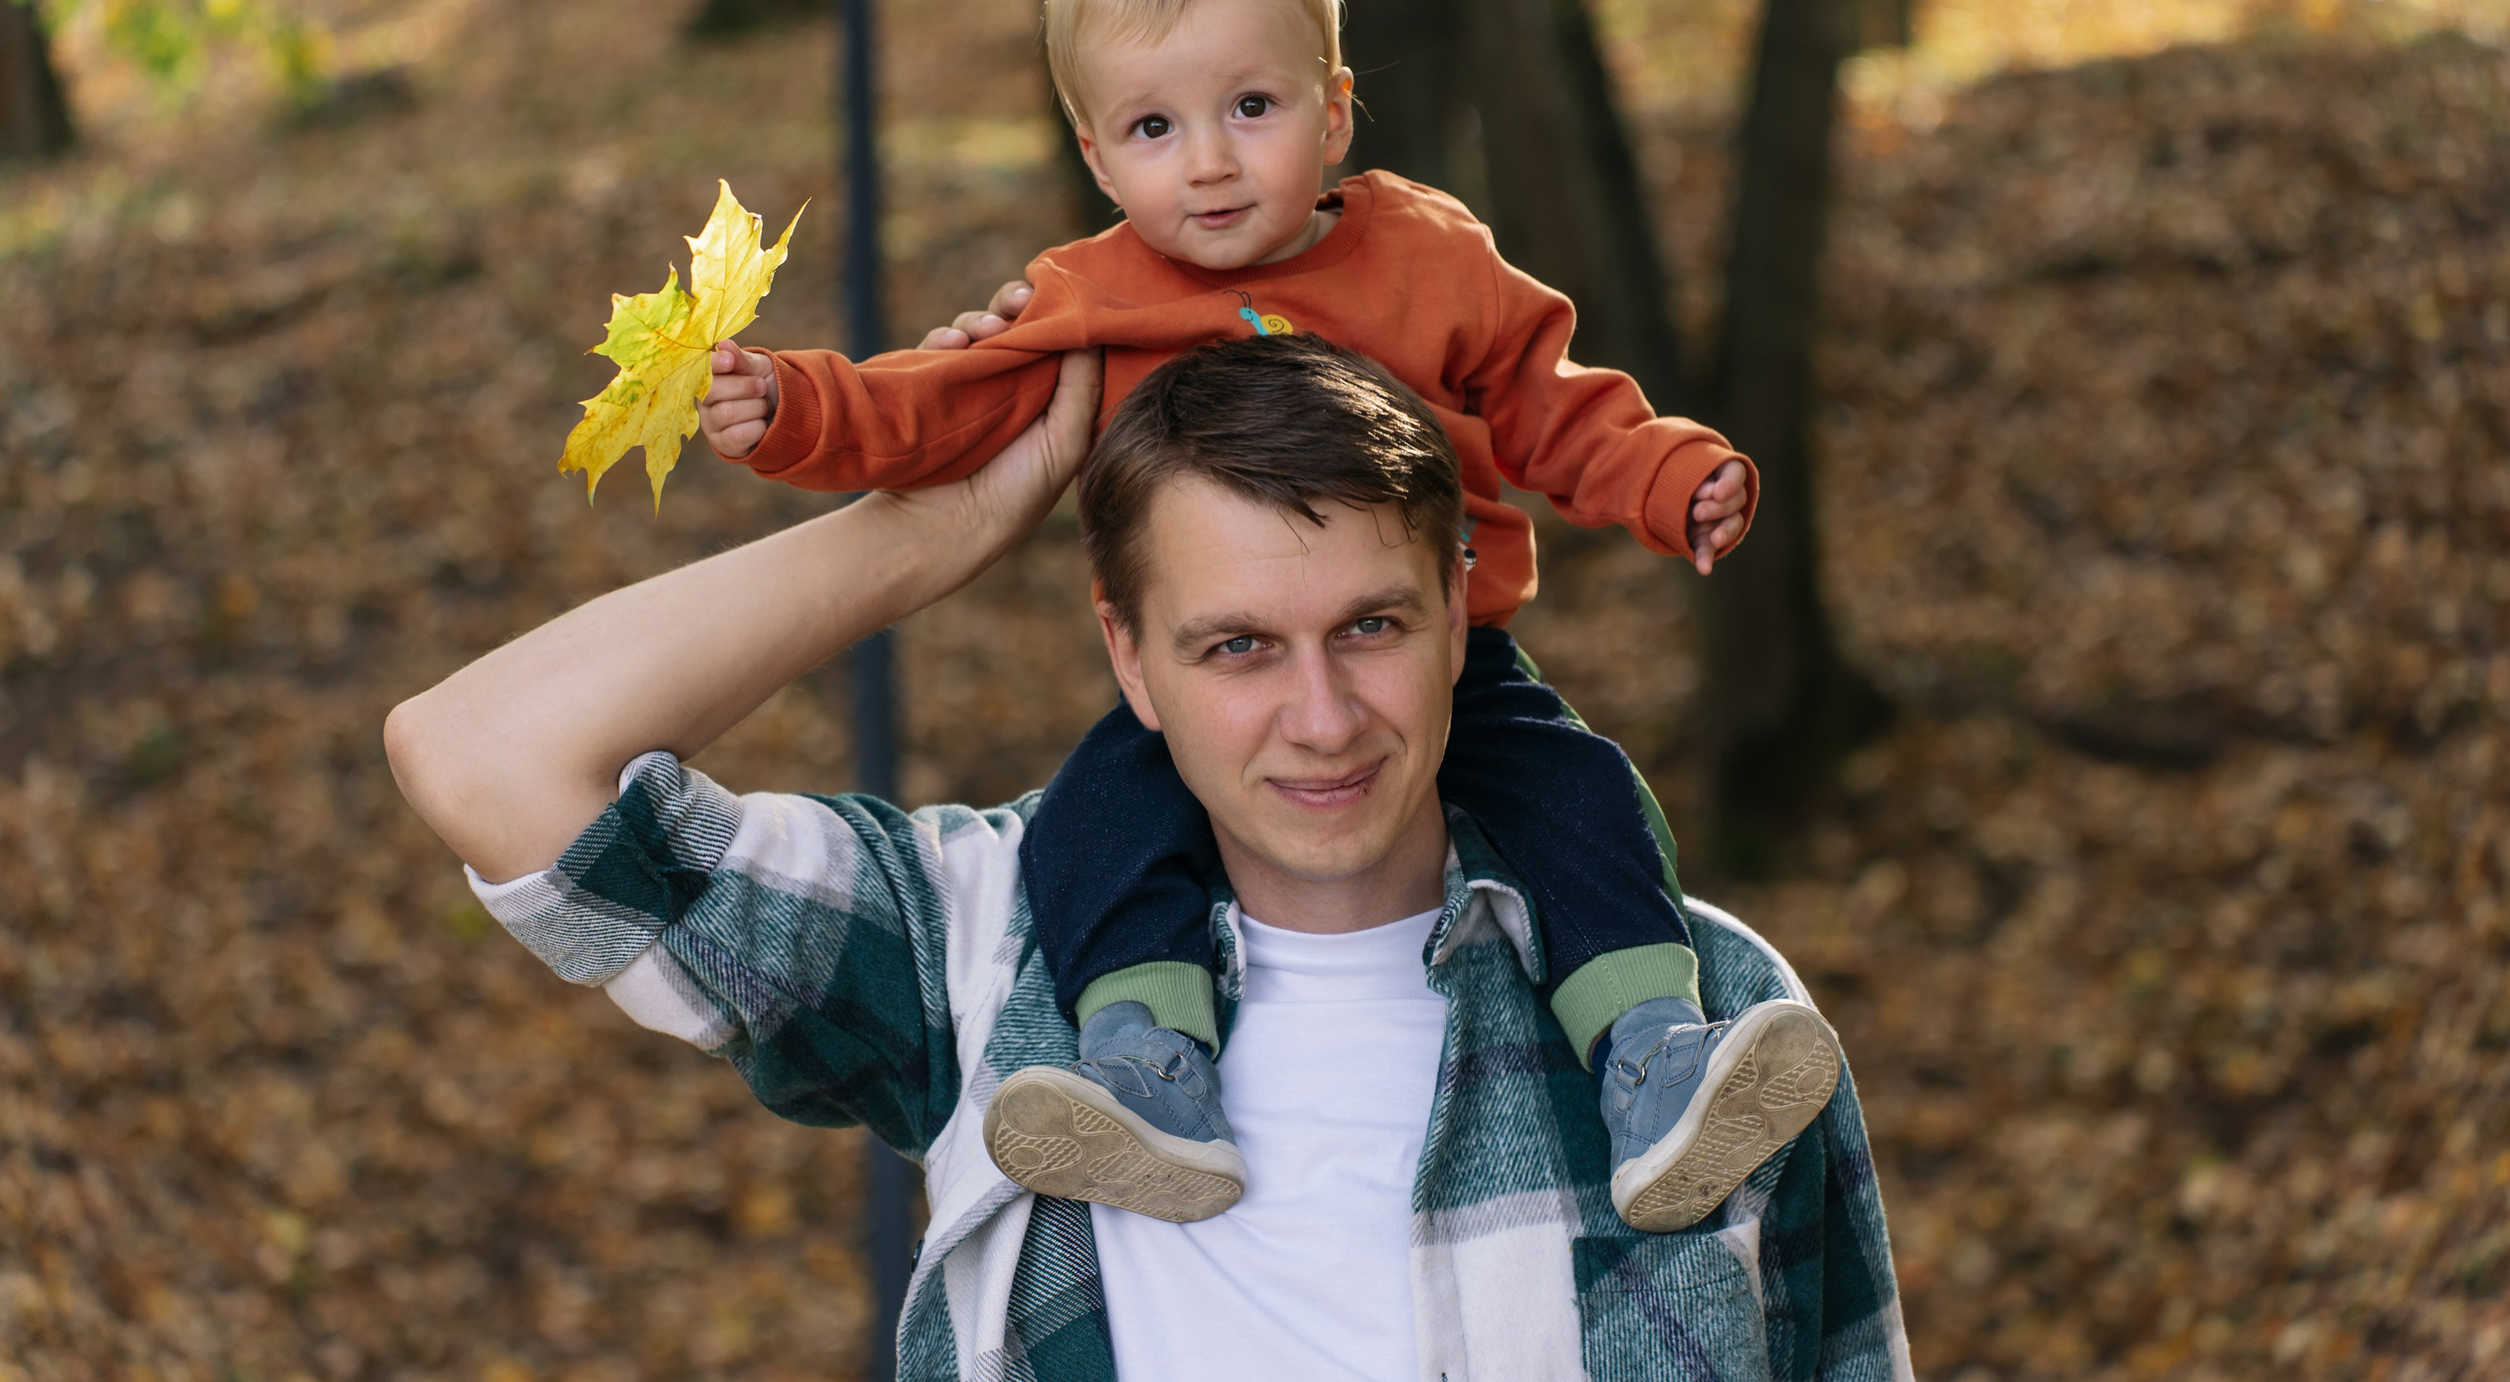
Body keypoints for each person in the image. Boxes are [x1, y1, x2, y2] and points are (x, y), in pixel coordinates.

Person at [387, 335, 1911, 1380]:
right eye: (1236, 645)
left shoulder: (1704, 1013)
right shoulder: (990, 948)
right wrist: (929, 532)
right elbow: (484, 757)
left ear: (1462, 610)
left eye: (1371, 626)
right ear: (1127, 653)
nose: (1323, 717)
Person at [692, 0, 1839, 1233]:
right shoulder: (1091, 297)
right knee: (1101, 820)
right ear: (1097, 156)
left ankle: (1651, 1056)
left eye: (1252, 107)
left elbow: (1550, 398)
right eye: (1155, 128)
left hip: (1444, 653)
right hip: (1213, 678)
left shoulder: (1424, 254)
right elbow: (943, 403)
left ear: (1334, 110)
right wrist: (798, 405)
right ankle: (1147, 1067)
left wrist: (1669, 477)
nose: (1211, 164)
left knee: (1575, 789)